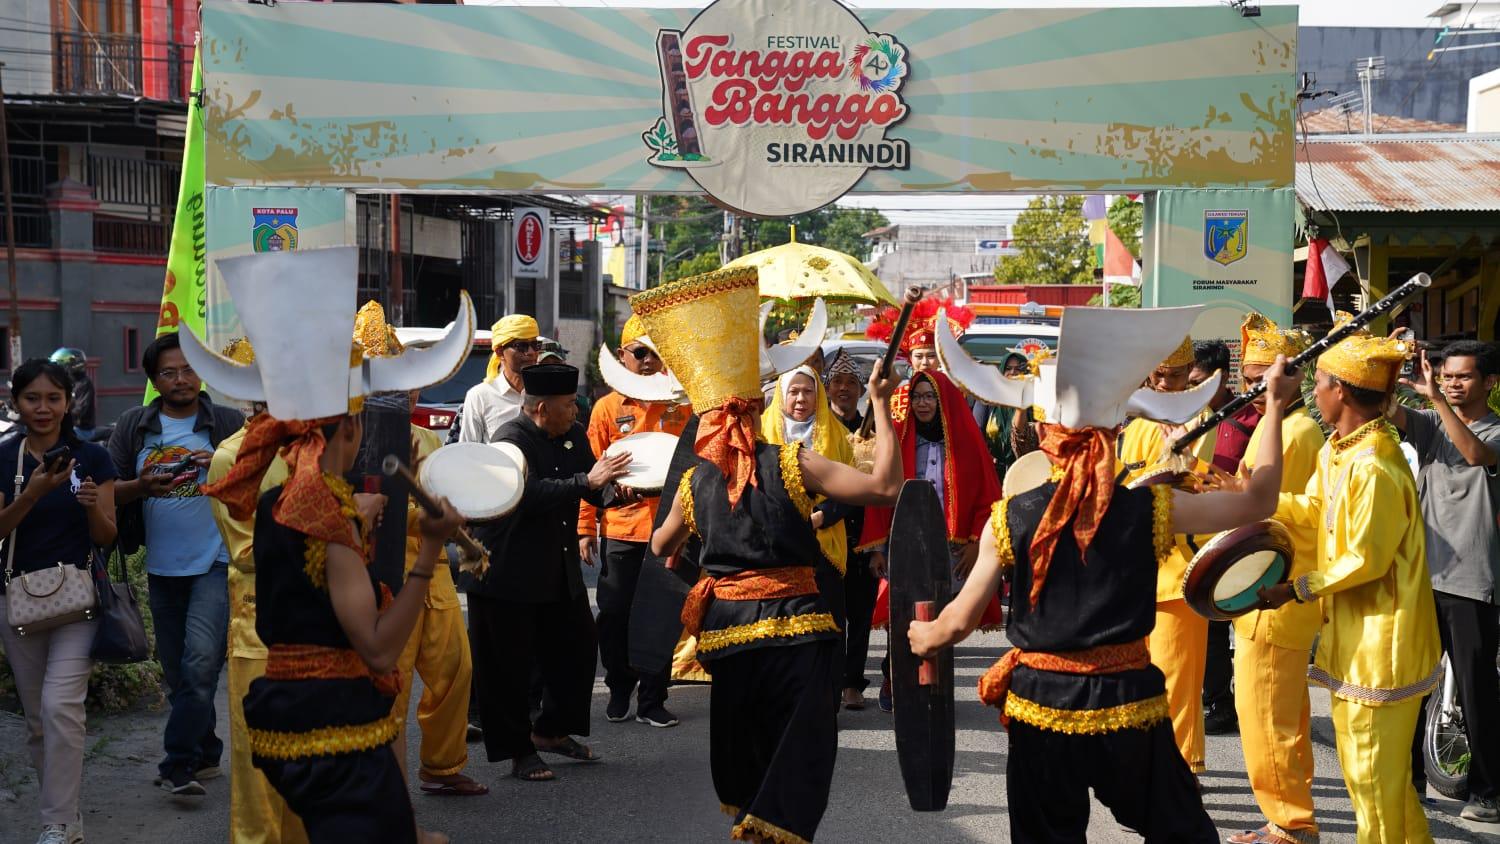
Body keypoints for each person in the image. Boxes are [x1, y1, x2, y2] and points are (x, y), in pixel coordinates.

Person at [908, 304, 1293, 843]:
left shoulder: (1010, 515)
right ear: (1114, 430)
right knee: (1181, 830)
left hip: (1043, 705)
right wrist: (1274, 407)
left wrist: (924, 635)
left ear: (1045, 433)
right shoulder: (1148, 507)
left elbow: (957, 622)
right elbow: (1258, 500)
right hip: (1128, 702)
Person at [186, 247, 472, 844]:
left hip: (298, 688)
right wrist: (414, 551)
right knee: (273, 814)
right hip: (299, 672)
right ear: (351, 426)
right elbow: (368, 643)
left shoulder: (298, 491)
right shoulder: (303, 495)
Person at [645, 265, 904, 843]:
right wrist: (881, 405)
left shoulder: (695, 482)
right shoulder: (791, 462)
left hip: (729, 636)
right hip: (797, 631)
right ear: (756, 408)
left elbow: (661, 547)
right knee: (797, 756)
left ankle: (750, 827)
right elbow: (886, 488)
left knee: (747, 756)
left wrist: (704, 552)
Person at [1257, 319, 1441, 844]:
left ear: (1339, 390)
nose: (1314, 390)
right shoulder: (1339, 450)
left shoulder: (1375, 465)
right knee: (1381, 786)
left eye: (1317, 382)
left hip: (1383, 645)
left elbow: (1365, 560)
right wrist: (1252, 498)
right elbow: (1315, 506)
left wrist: (1295, 589)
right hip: (1356, 639)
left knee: (1371, 786)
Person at [468, 363, 632, 782]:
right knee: (510, 667)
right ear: (541, 408)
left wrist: (616, 491)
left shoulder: (572, 435)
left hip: (555, 567)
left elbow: (594, 482)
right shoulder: (511, 440)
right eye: (567, 407)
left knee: (578, 645)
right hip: (506, 572)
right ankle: (518, 750)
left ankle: (551, 731)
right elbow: (527, 494)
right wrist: (587, 481)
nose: (576, 414)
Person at [107, 332, 244, 797]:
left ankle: (177, 764)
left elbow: (260, 479)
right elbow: (106, 489)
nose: (181, 379)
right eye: (169, 372)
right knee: (178, 672)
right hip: (162, 567)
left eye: (188, 369)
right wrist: (140, 487)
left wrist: (223, 467)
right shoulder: (133, 426)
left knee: (202, 661)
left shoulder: (225, 422)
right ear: (154, 379)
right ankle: (206, 753)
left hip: (215, 561)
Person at [1213, 315, 1326, 844]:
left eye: (1265, 379)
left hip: (1275, 587)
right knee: (1285, 711)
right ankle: (1289, 809)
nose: (1254, 389)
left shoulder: (1296, 431)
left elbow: (1272, 510)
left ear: (1293, 377)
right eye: (1251, 378)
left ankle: (1290, 823)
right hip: (1275, 587)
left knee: (1264, 712)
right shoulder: (1279, 422)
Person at [0, 359, 117, 844]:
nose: (43, 408)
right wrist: (31, 495)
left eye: (53, 398)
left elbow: (107, 534)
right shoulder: (4, 458)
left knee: (59, 707)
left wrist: (91, 506)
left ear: (68, 402)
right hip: (18, 602)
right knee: (37, 720)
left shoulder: (92, 457)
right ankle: (65, 815)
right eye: (33, 398)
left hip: (78, 601)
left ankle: (58, 823)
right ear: (16, 402)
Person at [1388, 338, 1500, 823]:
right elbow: (1387, 411)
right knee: (1412, 682)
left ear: (1490, 382)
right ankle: (1412, 782)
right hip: (1421, 578)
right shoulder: (1432, 423)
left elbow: (1475, 454)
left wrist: (1434, 399)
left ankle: (1488, 793)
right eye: (1447, 376)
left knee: (1477, 690)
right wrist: (1389, 366)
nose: (1453, 384)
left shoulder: (1495, 430)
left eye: (1464, 377)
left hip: (1473, 581)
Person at [205, 338, 309, 844]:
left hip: (312, 625)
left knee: (308, 758)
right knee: (258, 760)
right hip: (258, 625)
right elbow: (247, 551)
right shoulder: (231, 457)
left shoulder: (309, 446)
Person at [862, 367, 1004, 712]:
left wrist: (975, 545)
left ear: (944, 401)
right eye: (916, 396)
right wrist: (878, 548)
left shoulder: (968, 443)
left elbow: (988, 497)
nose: (922, 404)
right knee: (904, 615)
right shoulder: (898, 438)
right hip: (906, 543)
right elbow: (880, 496)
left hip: (952, 549)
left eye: (929, 396)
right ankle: (895, 677)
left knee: (942, 616)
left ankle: (933, 686)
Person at [580, 315, 691, 729]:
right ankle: (619, 686)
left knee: (662, 612)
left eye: (655, 353)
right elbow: (591, 473)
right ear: (623, 356)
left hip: (669, 527)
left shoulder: (682, 404)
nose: (648, 361)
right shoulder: (606, 409)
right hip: (620, 526)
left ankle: (653, 698)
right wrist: (584, 528)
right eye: (639, 353)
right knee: (613, 612)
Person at [1117, 335, 1217, 779]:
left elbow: (1191, 482)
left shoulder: (1202, 416)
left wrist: (1179, 456)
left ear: (1191, 370)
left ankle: (1182, 773)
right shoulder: (1137, 413)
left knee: (1178, 681)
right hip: (1134, 568)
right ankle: (1147, 767)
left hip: (1179, 570)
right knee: (1140, 679)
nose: (1162, 382)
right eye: (1156, 373)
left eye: (1173, 375)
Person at [763, 363, 858, 703]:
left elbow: (849, 492)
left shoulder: (838, 436)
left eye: (807, 391)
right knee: (781, 625)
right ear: (781, 395)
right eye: (794, 391)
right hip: (775, 546)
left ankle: (828, 697)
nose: (800, 398)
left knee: (828, 622)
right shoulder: (761, 433)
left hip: (824, 544)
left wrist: (819, 517)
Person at [1188, 339, 1252, 738]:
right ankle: (1216, 701)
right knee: (1208, 628)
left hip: (1241, 537)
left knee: (1239, 627)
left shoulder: (1249, 419)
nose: (1189, 388)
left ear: (1219, 377)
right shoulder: (1182, 419)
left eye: (1195, 380)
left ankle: (1237, 700)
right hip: (1196, 539)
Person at [824, 349, 880, 709]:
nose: (844, 388)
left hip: (863, 533)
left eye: (851, 382)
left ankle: (852, 683)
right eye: (838, 381)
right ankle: (826, 682)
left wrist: (878, 546)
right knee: (828, 616)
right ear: (827, 387)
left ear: (861, 390)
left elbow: (882, 491)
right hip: (826, 534)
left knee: (859, 615)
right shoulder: (817, 430)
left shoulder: (875, 431)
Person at [457, 314, 540, 444]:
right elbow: (468, 451)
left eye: (535, 345)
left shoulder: (546, 392)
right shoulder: (480, 396)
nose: (530, 352)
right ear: (500, 352)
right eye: (521, 346)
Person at [47, 349, 95, 441]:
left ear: (73, 366)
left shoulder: (84, 384)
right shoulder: (67, 383)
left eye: (62, 366)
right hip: (69, 427)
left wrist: (59, 418)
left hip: (82, 429)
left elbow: (80, 410)